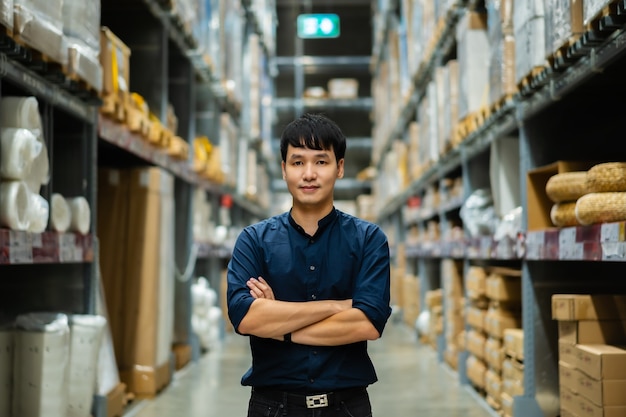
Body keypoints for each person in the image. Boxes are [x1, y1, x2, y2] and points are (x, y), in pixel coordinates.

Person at [226, 113, 392, 417]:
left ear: (339, 168)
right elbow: (246, 318)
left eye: (321, 161)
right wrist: (336, 307)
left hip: (346, 406)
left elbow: (367, 323)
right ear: (284, 169)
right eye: (298, 162)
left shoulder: (368, 239)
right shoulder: (254, 240)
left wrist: (280, 326)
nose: (309, 174)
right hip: (272, 406)